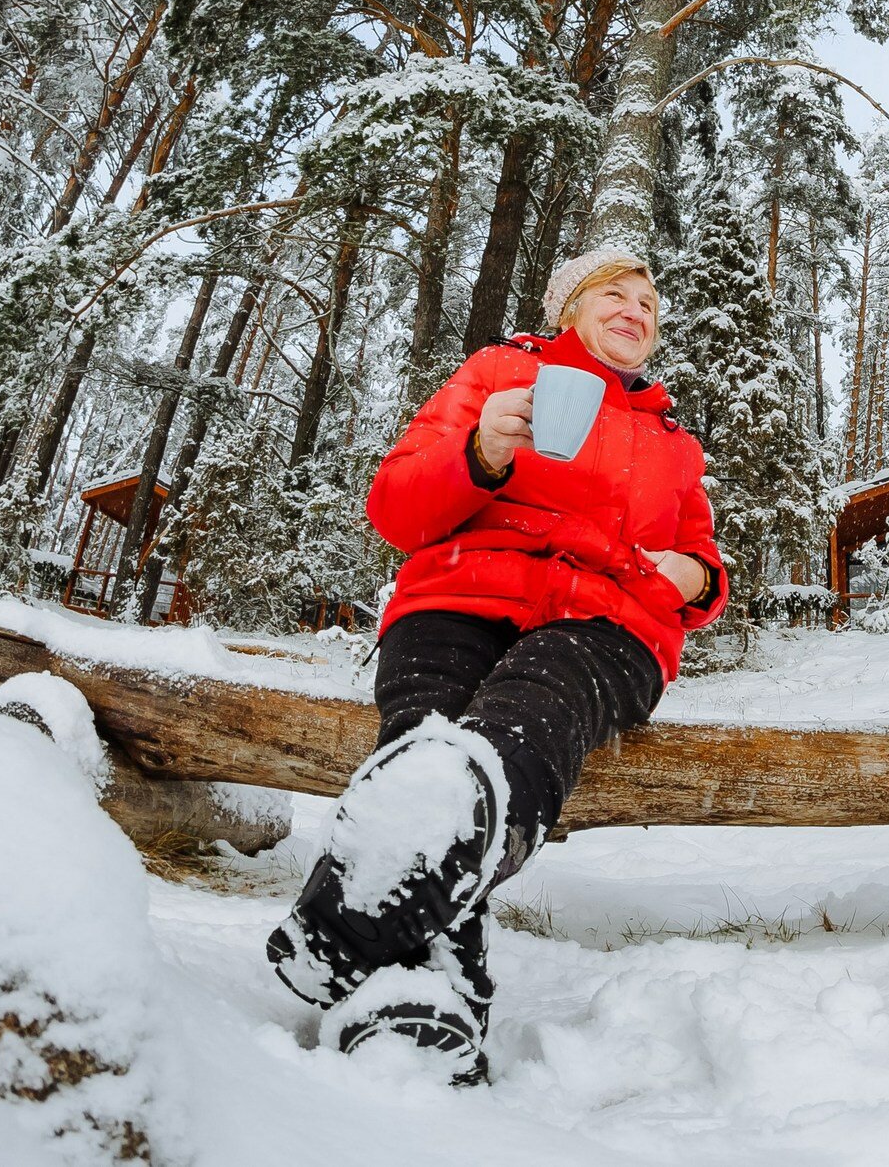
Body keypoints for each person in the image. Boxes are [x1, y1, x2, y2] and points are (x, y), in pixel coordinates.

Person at [265, 248, 727, 1082]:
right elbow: (396, 509)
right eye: (612, 294)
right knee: (425, 746)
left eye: (649, 300)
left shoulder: (674, 442)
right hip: (462, 591)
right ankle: (434, 991)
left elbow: (701, 556)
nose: (635, 309)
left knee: (520, 726)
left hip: (606, 619)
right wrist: (480, 452)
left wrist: (698, 577)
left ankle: (337, 932)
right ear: (569, 312)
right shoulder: (499, 372)